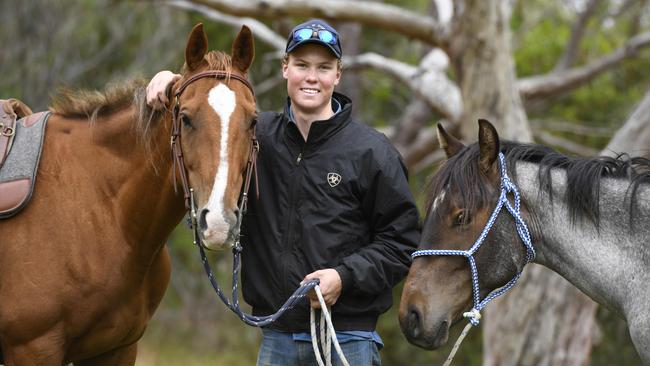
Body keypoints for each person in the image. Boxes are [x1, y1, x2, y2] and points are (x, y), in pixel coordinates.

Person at [147, 19, 420, 366]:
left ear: (337, 75)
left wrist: (344, 276)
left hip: (348, 340)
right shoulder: (257, 137)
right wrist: (169, 80)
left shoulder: (372, 153)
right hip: (278, 340)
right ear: (285, 69)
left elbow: (402, 243)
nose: (311, 77)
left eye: (323, 68)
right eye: (302, 65)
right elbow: (212, 116)